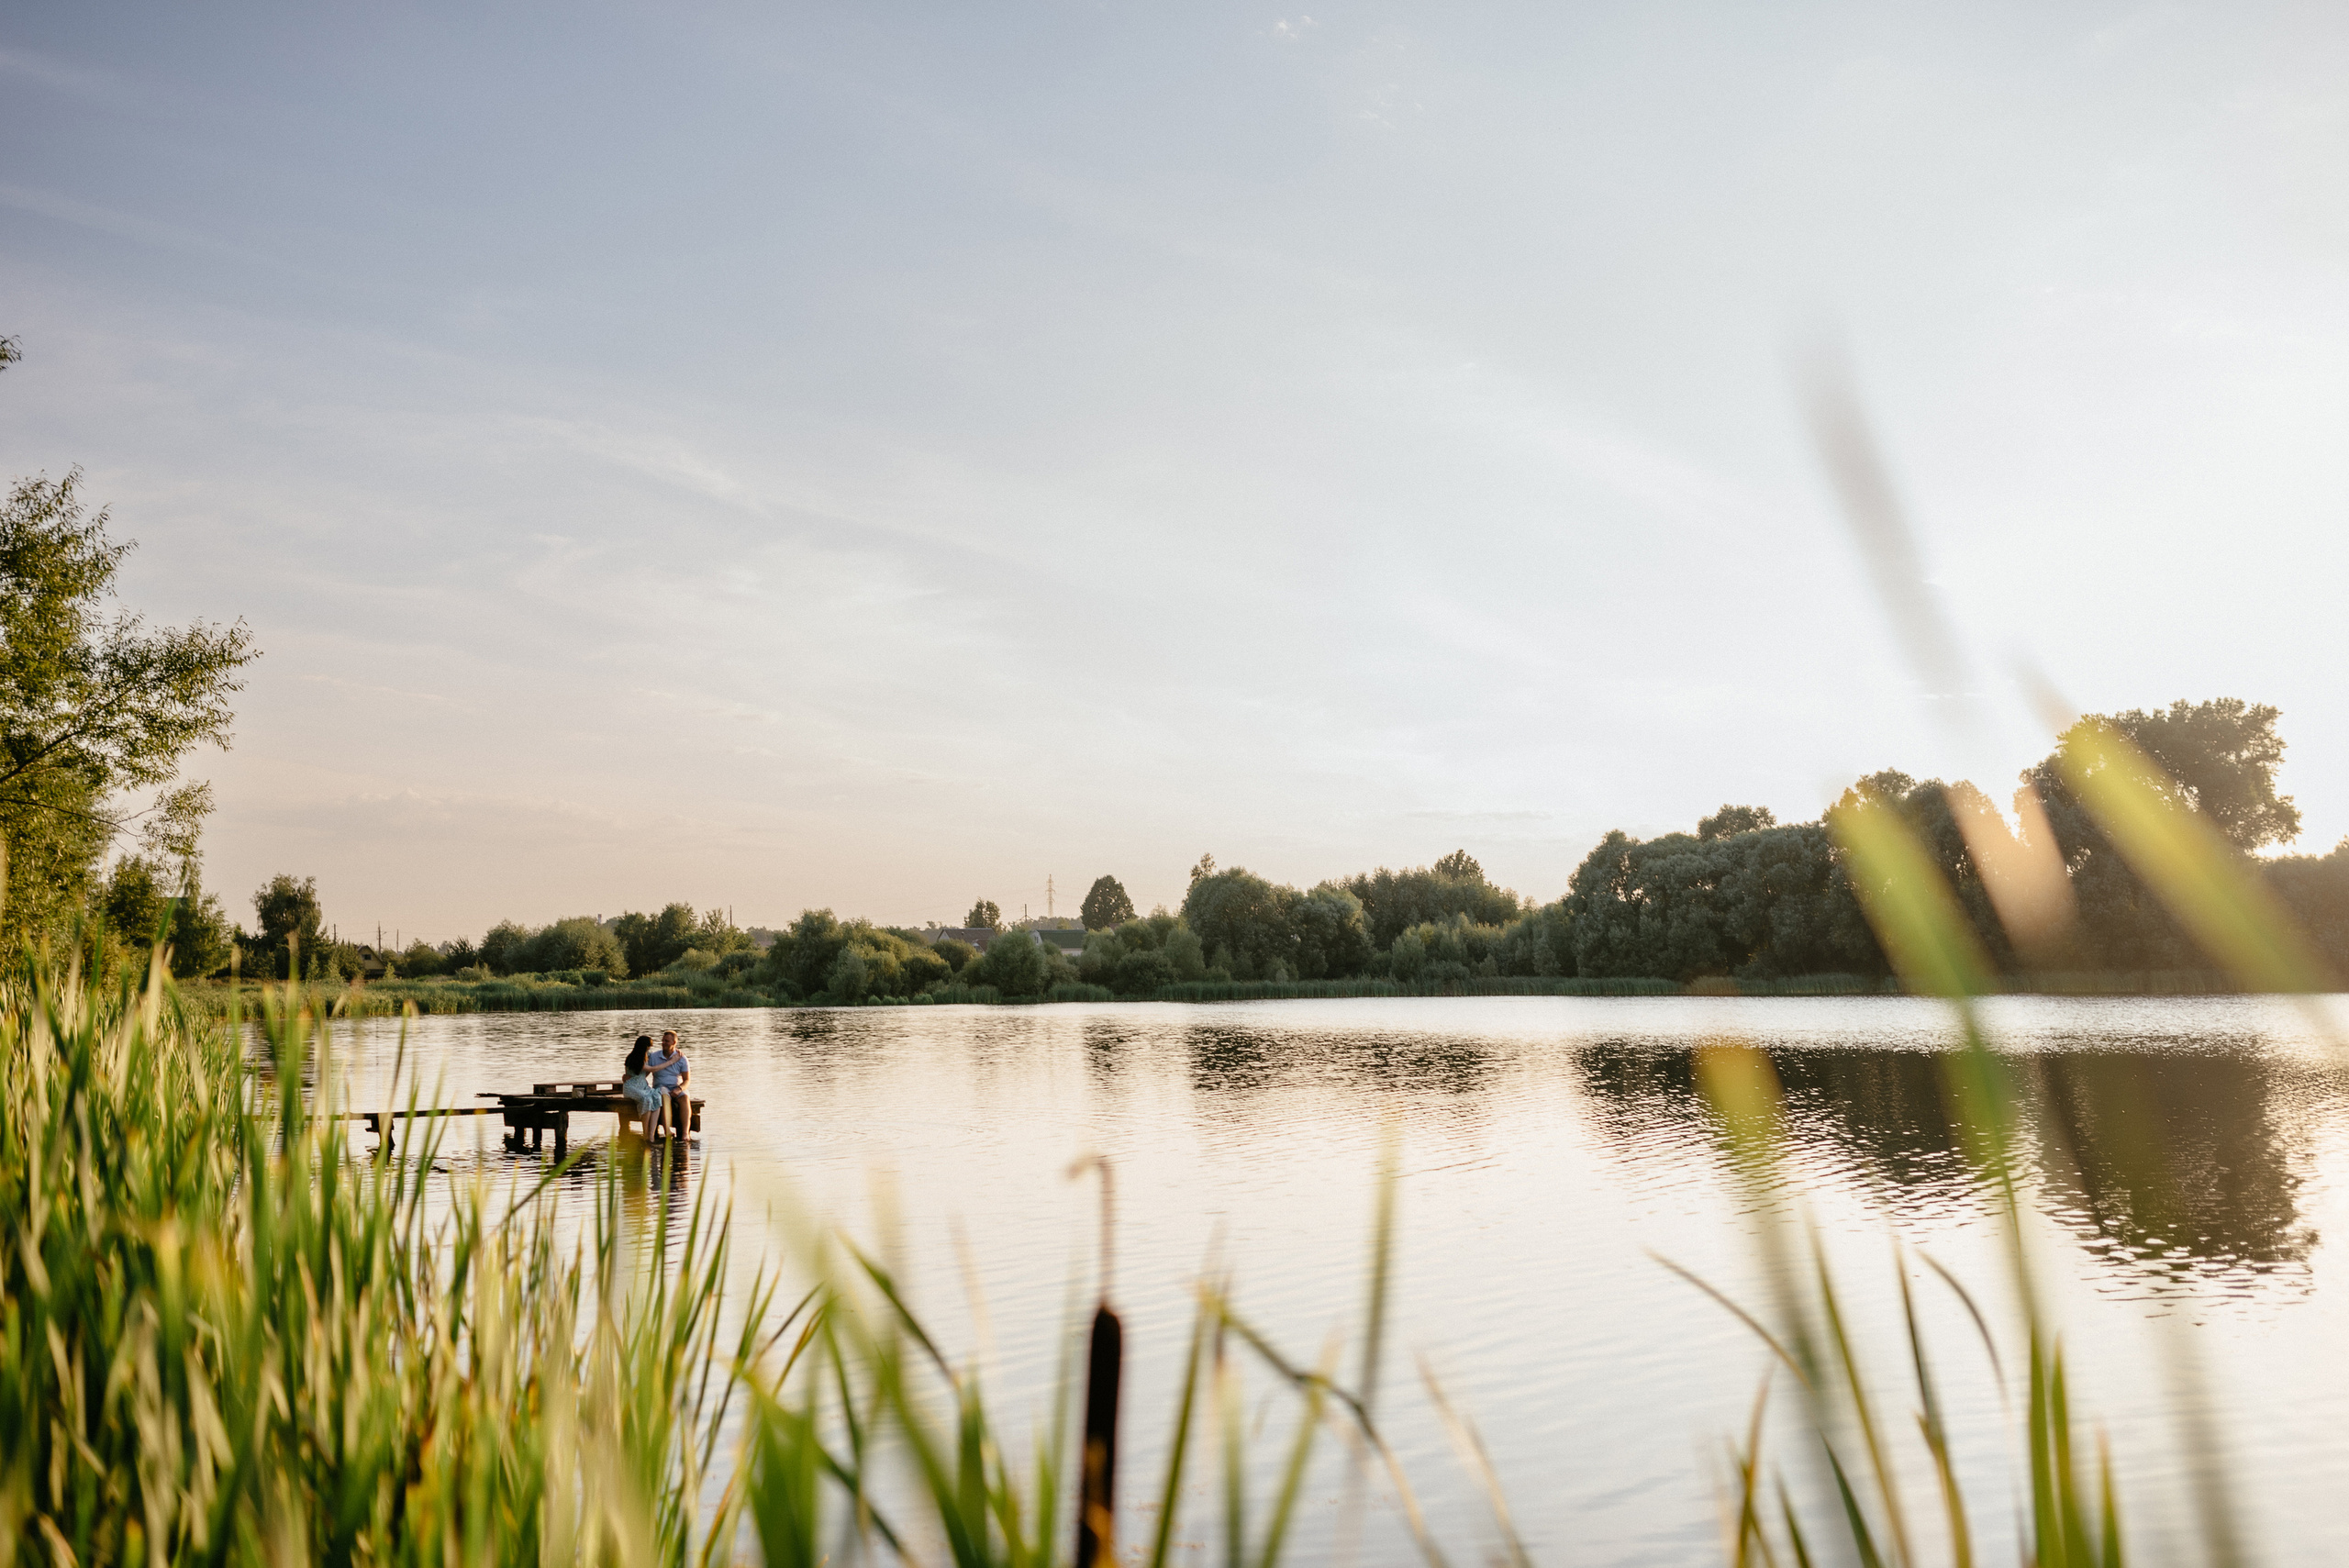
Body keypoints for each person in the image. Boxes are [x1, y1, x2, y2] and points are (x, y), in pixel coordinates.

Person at [647, 1029, 693, 1140]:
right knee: (664, 1096)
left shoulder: (682, 1058)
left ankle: (685, 1133)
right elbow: (645, 1072)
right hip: (660, 1086)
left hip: (676, 1087)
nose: (663, 1043)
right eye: (663, 1040)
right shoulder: (654, 1056)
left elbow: (687, 1080)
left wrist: (679, 1089)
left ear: (674, 1043)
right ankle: (667, 1130)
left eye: (666, 1041)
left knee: (685, 1098)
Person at [619, 1034, 663, 1139]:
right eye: (649, 1047)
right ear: (644, 1047)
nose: (650, 1049)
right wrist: (671, 1062)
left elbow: (644, 1073)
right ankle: (646, 1133)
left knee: (656, 1096)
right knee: (646, 1099)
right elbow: (652, 1069)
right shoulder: (633, 1058)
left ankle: (651, 1134)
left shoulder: (647, 1055)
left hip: (643, 1086)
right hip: (631, 1087)